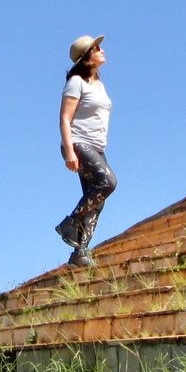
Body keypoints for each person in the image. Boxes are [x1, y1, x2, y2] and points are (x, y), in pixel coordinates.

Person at [55, 35, 117, 267]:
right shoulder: (75, 83)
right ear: (86, 58)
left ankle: (79, 253)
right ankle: (70, 222)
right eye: (96, 48)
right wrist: (69, 151)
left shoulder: (98, 85)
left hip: (97, 148)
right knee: (108, 182)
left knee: (97, 200)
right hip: (79, 143)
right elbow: (64, 118)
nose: (101, 50)